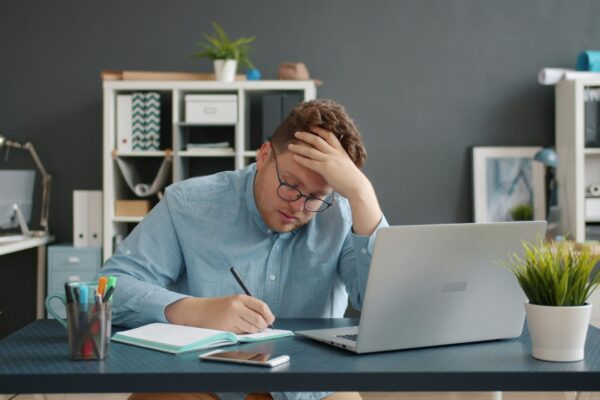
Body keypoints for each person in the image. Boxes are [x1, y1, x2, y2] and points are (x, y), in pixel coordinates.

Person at [101, 99, 388, 400]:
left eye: (316, 196)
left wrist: (361, 194)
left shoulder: (342, 216)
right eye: (290, 184)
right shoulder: (188, 204)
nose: (298, 205)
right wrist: (191, 309)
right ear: (264, 156)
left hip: (311, 389)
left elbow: (384, 307)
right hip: (201, 381)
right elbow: (107, 290)